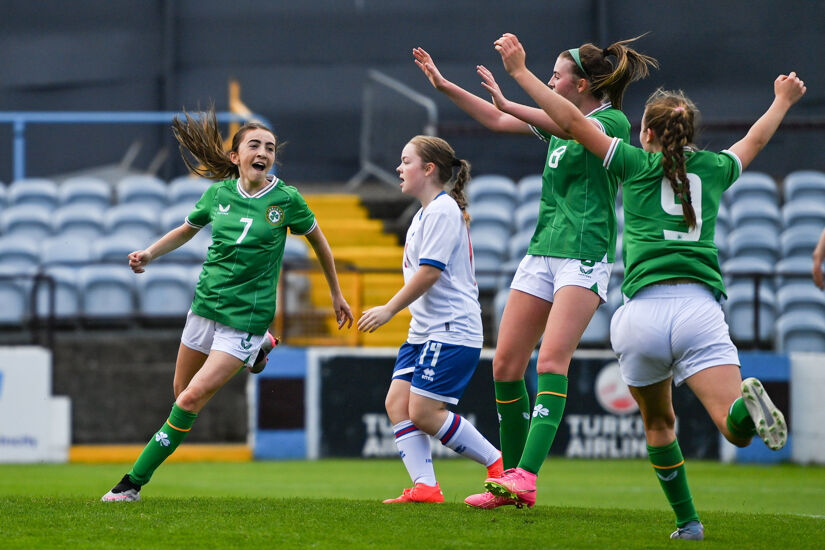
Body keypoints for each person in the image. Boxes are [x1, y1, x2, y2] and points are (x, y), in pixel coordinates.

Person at [492, 32, 803, 538]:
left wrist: (521, 74)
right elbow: (757, 140)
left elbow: (571, 122)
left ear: (651, 136)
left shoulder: (633, 165)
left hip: (641, 314)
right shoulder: (716, 169)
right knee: (731, 426)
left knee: (660, 424)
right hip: (700, 309)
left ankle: (688, 523)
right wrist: (782, 99)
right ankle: (748, 409)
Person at [414, 39, 657, 509]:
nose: (548, 80)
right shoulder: (562, 120)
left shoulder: (610, 121)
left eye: (556, 75)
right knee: (505, 365)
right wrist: (446, 86)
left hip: (583, 254)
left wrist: (519, 76)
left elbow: (565, 121)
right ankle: (510, 479)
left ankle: (526, 476)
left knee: (550, 361)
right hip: (542, 252)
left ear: (582, 84)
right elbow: (499, 118)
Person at [102, 109, 353, 502]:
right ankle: (261, 348)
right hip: (205, 307)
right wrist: (150, 254)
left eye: (270, 148)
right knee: (181, 391)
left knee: (189, 401)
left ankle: (131, 484)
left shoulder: (286, 199)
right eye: (254, 145)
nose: (263, 152)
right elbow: (187, 229)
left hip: (245, 320)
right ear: (235, 156)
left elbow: (319, 242)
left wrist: (336, 292)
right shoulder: (218, 194)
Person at [357, 135, 504, 504]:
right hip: (425, 330)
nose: (398, 168)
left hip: (451, 329)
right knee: (397, 402)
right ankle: (426, 487)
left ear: (429, 169)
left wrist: (388, 309)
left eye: (406, 161)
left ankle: (498, 465)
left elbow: (429, 273)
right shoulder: (427, 212)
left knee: (424, 412)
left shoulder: (442, 211)